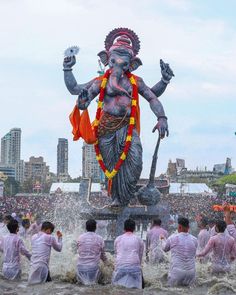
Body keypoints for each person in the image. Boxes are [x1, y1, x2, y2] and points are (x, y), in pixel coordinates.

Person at [161, 217, 198, 287]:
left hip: (177, 272)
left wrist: (162, 239)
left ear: (179, 227)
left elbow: (165, 249)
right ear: (188, 227)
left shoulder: (173, 238)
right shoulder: (195, 239)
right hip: (191, 273)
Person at [112, 218, 144, 289]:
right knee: (137, 289)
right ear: (134, 228)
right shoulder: (139, 240)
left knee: (115, 288)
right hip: (134, 268)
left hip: (120, 267)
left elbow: (116, 254)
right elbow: (140, 257)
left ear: (124, 228)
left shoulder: (118, 239)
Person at [76, 219, 107, 285]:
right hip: (93, 269)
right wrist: (107, 264)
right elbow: (103, 256)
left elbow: (79, 251)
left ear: (86, 227)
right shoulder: (100, 238)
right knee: (99, 283)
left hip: (80, 268)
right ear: (95, 227)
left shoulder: (80, 237)